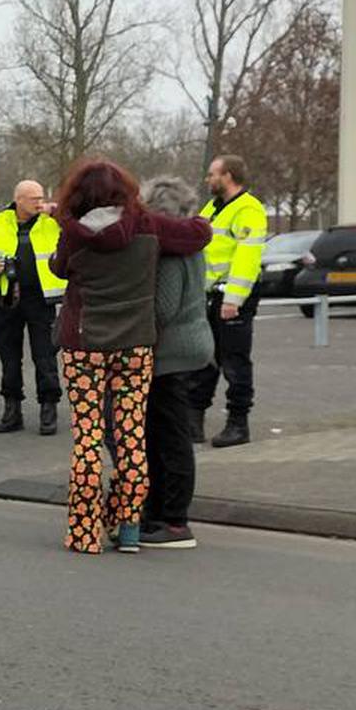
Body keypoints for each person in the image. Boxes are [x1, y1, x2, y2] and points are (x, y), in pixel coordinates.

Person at [49, 160, 210, 553]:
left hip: (85, 346)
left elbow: (58, 268)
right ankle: (131, 529)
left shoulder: (73, 233)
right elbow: (197, 232)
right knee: (133, 436)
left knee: (89, 438)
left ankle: (86, 534)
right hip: (135, 346)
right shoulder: (147, 226)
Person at [138, 176, 214, 549]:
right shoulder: (192, 242)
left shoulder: (169, 251)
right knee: (171, 432)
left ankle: (174, 520)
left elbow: (163, 307)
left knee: (167, 435)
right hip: (194, 343)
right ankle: (164, 514)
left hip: (171, 351)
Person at [0, 180, 64, 436]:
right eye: (34, 198)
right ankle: (12, 410)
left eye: (41, 197)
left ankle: (48, 408)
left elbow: (77, 226)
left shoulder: (51, 222)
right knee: (9, 357)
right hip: (7, 299)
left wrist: (57, 210)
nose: (39, 202)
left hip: (41, 299)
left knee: (44, 356)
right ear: (18, 199)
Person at [192, 155, 268, 448]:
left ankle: (238, 424)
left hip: (232, 297)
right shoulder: (212, 208)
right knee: (204, 359)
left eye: (212, 174)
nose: (207, 179)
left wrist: (233, 299)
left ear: (228, 175)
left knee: (234, 361)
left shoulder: (249, 210)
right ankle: (193, 420)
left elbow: (247, 258)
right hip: (210, 295)